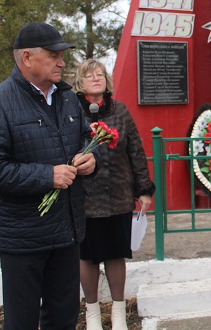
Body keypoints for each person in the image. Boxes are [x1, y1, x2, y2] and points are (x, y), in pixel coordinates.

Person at [0, 22, 97, 330]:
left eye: (62, 55)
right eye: (54, 55)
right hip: (23, 238)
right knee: (22, 321)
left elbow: (84, 139)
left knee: (64, 318)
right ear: (27, 58)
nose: (62, 62)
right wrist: (45, 176)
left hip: (66, 233)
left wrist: (92, 159)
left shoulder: (67, 98)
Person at [72, 59, 156, 330]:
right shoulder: (71, 111)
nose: (95, 78)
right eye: (89, 75)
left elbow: (136, 151)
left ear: (106, 81)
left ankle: (118, 313)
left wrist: (144, 189)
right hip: (84, 198)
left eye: (99, 74)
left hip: (118, 193)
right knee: (87, 257)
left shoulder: (120, 111)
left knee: (116, 254)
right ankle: (93, 313)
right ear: (80, 82)